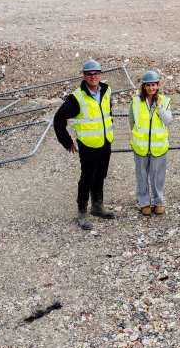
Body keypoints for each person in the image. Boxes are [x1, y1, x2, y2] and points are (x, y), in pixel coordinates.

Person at [53, 59, 116, 231]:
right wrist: (67, 141)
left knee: (100, 175)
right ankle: (82, 212)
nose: (93, 77)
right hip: (88, 145)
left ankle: (97, 207)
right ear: (84, 76)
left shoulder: (106, 90)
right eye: (89, 74)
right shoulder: (77, 97)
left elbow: (108, 111)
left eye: (96, 73)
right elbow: (58, 119)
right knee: (87, 178)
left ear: (100, 74)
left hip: (105, 141)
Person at [130, 70, 173, 216]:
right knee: (141, 176)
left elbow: (168, 121)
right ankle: (144, 203)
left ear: (158, 85)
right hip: (140, 147)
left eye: (154, 85)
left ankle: (158, 202)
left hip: (158, 146)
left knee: (158, 177)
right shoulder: (135, 101)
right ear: (143, 86)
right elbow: (132, 122)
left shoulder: (165, 101)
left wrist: (159, 107)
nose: (151, 88)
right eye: (148, 85)